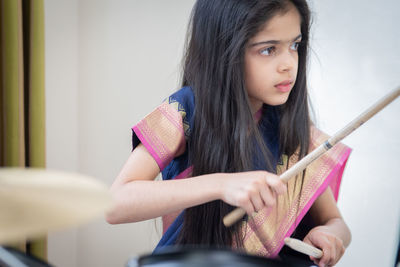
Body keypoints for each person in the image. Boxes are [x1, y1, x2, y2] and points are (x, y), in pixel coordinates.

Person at [106, 0, 352, 266]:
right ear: (224, 51)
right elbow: (115, 204)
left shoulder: (293, 128)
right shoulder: (185, 111)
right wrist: (221, 184)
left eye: (295, 45)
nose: (288, 64)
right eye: (269, 49)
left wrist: (330, 234)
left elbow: (335, 221)